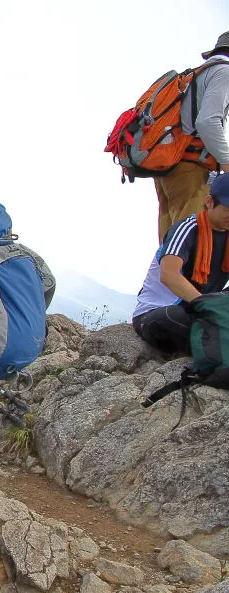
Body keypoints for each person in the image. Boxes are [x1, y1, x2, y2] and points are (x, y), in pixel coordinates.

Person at [133, 174, 229, 353]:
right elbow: (169, 275)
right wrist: (209, 306)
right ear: (209, 201)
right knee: (169, 319)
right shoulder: (187, 228)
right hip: (163, 310)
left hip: (202, 313)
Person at [154, 32, 229, 242]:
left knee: (170, 238)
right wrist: (226, 162)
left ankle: (164, 274)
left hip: (170, 163)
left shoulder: (198, 73)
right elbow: (207, 122)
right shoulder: (224, 73)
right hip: (191, 166)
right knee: (187, 239)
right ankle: (175, 275)